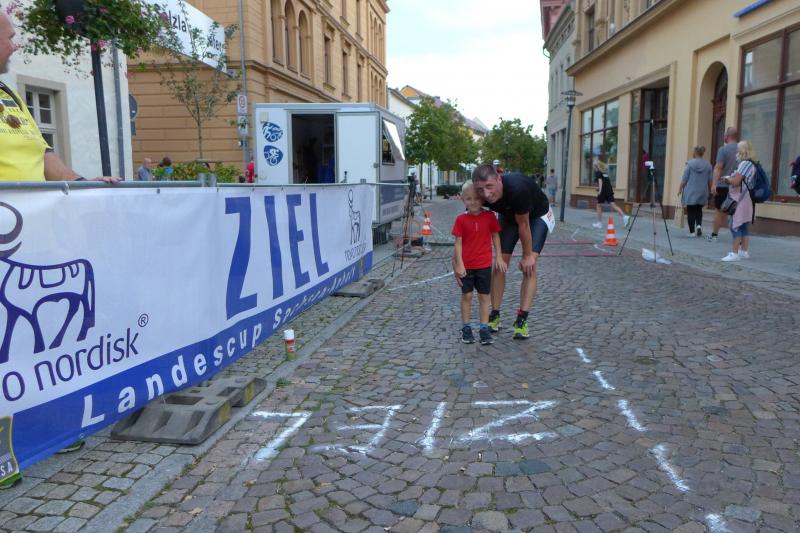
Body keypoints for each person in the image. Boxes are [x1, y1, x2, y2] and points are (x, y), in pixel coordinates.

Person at [0, 10, 117, 489]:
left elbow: (43, 155)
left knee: (37, 337)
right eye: (9, 36)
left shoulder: (9, 94)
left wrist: (83, 184)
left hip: (32, 241)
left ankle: (47, 426)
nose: (15, 44)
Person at [472, 164, 552, 340]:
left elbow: (524, 225)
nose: (486, 194)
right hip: (509, 217)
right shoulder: (478, 193)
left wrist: (527, 255)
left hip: (536, 217)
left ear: (499, 179)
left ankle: (522, 319)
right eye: (480, 189)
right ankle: (495, 314)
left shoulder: (517, 189)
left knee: (529, 266)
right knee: (500, 264)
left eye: (489, 187)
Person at [452, 181, 506, 345]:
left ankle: (484, 328)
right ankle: (466, 327)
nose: (473, 202)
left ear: (482, 199)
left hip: (484, 265)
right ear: (463, 199)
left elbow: (495, 236)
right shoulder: (461, 220)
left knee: (484, 297)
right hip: (467, 266)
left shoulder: (489, 217)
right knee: (467, 296)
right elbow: (458, 244)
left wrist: (499, 257)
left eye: (476, 198)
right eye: (468, 199)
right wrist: (459, 264)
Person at [720, 140, 756, 262]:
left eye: (738, 150)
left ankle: (735, 253)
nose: (736, 152)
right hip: (745, 198)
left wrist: (727, 179)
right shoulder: (751, 164)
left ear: (741, 151)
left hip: (739, 199)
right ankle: (744, 251)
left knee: (735, 225)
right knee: (744, 225)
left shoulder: (745, 164)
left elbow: (736, 182)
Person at [709, 127, 739, 242]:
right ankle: (739, 237)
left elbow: (718, 167)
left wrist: (714, 184)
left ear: (726, 137)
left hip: (723, 185)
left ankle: (714, 235)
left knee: (719, 210)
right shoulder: (742, 150)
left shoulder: (723, 149)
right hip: (737, 185)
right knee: (737, 211)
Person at [678, 146, 712, 237]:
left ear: (695, 153)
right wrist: (710, 190)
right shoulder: (708, 165)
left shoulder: (690, 164)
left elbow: (684, 179)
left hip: (691, 192)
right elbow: (710, 180)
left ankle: (692, 232)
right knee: (699, 209)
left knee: (691, 211)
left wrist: (680, 189)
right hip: (703, 191)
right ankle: (699, 226)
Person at [591, 157, 629, 229]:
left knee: (598, 206)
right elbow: (606, 182)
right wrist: (599, 188)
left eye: (594, 166)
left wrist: (600, 190)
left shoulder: (598, 173)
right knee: (613, 205)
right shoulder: (605, 173)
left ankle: (599, 223)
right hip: (609, 191)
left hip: (603, 191)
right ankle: (625, 217)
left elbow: (600, 182)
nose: (593, 168)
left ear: (596, 166)